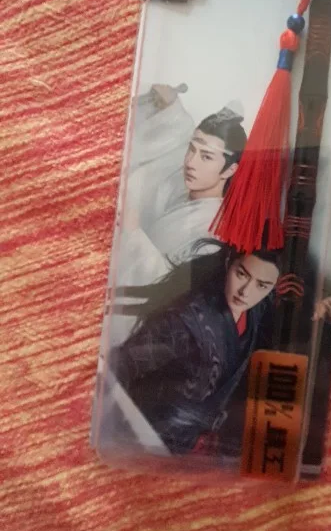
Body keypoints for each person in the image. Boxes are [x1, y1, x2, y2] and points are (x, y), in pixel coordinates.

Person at [112, 243, 280, 454]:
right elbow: (120, 366)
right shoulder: (185, 321)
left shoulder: (256, 310)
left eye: (262, 285)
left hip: (204, 443)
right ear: (228, 262)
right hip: (156, 437)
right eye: (241, 274)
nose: (246, 292)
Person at [118, 107, 247, 288]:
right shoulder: (179, 189)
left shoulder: (213, 233)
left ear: (230, 170)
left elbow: (170, 286)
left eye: (206, 157)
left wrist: (133, 232)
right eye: (191, 149)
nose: (190, 162)